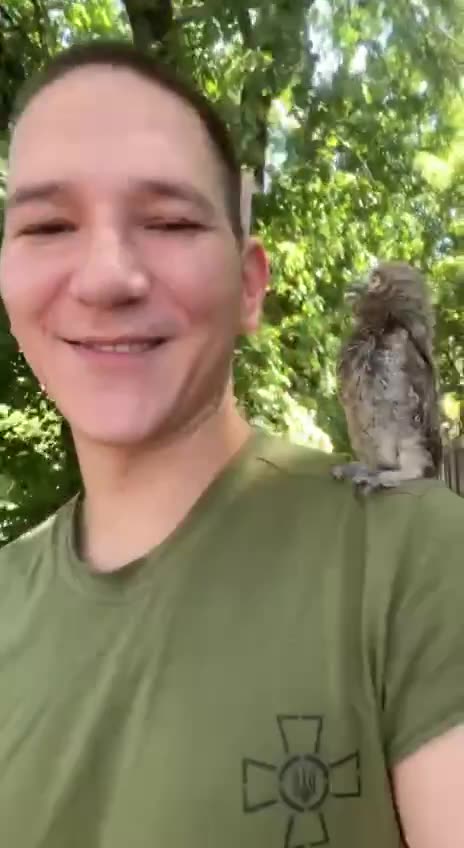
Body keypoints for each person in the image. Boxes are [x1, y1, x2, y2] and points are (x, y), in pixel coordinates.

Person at [0, 39, 463, 848]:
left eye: (171, 220)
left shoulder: (417, 558)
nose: (108, 275)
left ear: (251, 285)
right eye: (47, 224)